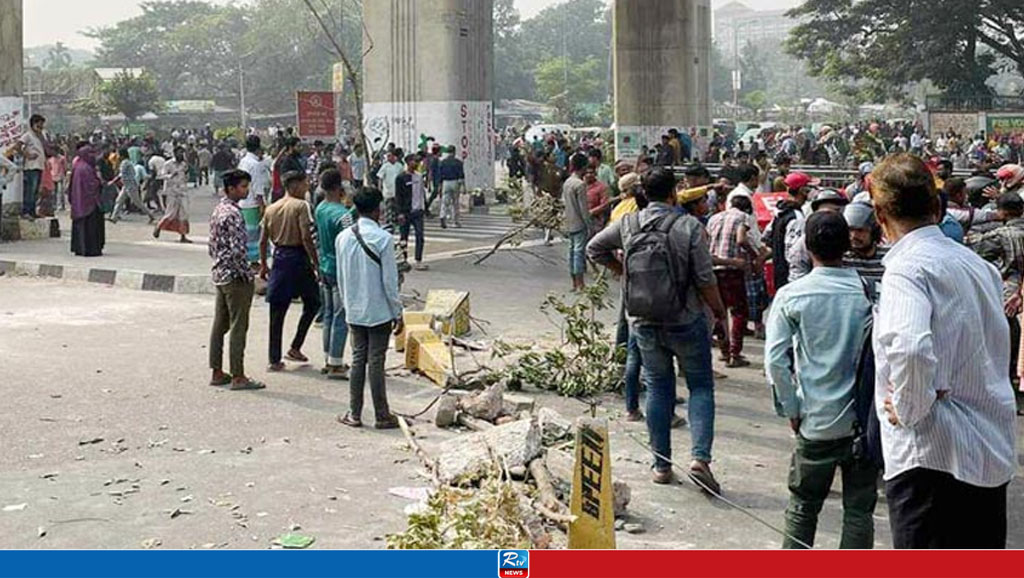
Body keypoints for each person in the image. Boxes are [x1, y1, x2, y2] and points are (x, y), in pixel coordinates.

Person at [872, 154, 1017, 549]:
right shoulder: (977, 266)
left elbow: (910, 347)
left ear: (879, 215)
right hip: (986, 455)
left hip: (930, 460)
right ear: (936, 208)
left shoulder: (907, 269)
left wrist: (910, 405)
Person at [587, 168, 727, 490]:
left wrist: (623, 272)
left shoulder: (627, 223)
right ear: (674, 193)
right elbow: (705, 279)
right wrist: (719, 313)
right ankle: (699, 459)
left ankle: (661, 465)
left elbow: (594, 248)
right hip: (687, 319)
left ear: (643, 194)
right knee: (701, 387)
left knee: (658, 388)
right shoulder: (688, 226)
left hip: (644, 321)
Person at [765, 211, 878, 550]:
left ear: (807, 247)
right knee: (859, 511)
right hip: (862, 425)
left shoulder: (791, 295)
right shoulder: (870, 291)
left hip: (815, 420)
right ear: (847, 245)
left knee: (803, 507)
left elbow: (775, 361)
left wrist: (791, 408)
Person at [336, 189, 403, 430]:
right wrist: (398, 312)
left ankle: (354, 413)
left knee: (357, 360)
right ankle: (381, 414)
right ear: (377, 210)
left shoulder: (342, 237)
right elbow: (389, 282)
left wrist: (347, 304)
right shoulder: (383, 239)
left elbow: (341, 276)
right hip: (379, 310)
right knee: (376, 361)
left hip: (354, 308)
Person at [208, 169, 265, 392]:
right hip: (235, 276)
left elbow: (212, 246)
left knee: (219, 324)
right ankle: (238, 375)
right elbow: (238, 250)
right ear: (231, 188)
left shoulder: (218, 210)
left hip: (220, 273)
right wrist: (248, 273)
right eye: (242, 186)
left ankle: (217, 370)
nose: (246, 190)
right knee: (238, 326)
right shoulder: (233, 214)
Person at [259, 171, 321, 371]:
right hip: (298, 257)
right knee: (313, 302)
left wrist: (263, 264)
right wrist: (315, 263)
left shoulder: (271, 208)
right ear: (295, 185)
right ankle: (295, 345)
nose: (307, 189)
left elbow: (262, 240)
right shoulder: (301, 206)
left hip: (279, 258)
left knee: (277, 311)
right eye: (304, 185)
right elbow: (306, 237)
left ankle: (273, 358)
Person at [969, 192, 1024, 385]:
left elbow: (977, 250)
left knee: (1004, 328)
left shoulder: (1000, 234)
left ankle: (1007, 372)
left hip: (1009, 288)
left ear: (1003, 212)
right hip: (1019, 288)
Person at [315, 169, 356, 381]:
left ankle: (328, 357)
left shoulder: (320, 208)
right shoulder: (343, 215)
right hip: (339, 267)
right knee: (341, 316)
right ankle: (336, 362)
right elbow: (351, 241)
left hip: (325, 265)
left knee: (329, 313)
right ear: (339, 187)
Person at [707, 195, 755, 368]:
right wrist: (752, 254)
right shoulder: (742, 217)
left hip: (714, 268)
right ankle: (735, 353)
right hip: (733, 269)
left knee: (719, 312)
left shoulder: (714, 218)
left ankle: (724, 352)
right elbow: (742, 239)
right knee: (739, 311)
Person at [764, 172, 817, 292]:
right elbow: (793, 253)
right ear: (803, 190)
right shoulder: (796, 217)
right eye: (810, 188)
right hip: (791, 278)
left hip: (780, 272)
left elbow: (767, 236)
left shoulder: (780, 211)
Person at [842, 202, 888, 302]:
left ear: (874, 232)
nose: (853, 236)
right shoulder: (842, 259)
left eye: (860, 231)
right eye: (850, 230)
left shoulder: (888, 257)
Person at [237, 136, 271, 265]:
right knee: (256, 233)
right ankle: (255, 261)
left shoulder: (243, 161)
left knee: (247, 232)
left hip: (244, 202)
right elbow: (257, 187)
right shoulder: (255, 165)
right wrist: (262, 205)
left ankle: (249, 259)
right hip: (253, 203)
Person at [69, 144, 105, 257]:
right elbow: (92, 185)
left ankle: (80, 248)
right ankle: (91, 249)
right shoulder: (87, 168)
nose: (93, 156)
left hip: (78, 203)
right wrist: (99, 182)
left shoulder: (77, 166)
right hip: (89, 204)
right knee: (91, 227)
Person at [562, 153, 592, 291]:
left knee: (571, 252)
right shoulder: (580, 185)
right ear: (584, 166)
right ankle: (580, 283)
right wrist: (589, 225)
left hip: (568, 222)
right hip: (579, 223)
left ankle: (574, 283)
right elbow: (584, 209)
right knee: (579, 253)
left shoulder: (567, 182)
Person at [395, 154, 428, 271]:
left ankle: (418, 260)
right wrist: (400, 212)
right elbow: (398, 196)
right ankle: (403, 260)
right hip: (406, 211)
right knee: (404, 237)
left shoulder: (419, 176)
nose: (416, 163)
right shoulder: (401, 178)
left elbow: (421, 193)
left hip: (418, 211)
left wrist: (425, 207)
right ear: (408, 162)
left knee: (420, 235)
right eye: (414, 161)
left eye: (417, 161)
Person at [152, 148, 193, 243]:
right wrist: (170, 175)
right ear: (175, 154)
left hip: (182, 191)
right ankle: (158, 227)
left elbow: (186, 177)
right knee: (171, 213)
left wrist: (187, 175)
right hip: (171, 191)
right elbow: (160, 176)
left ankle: (183, 235)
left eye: (182, 153)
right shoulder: (168, 164)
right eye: (179, 153)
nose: (181, 155)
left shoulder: (184, 164)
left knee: (184, 213)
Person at [111, 148, 157, 224]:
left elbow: (121, 174)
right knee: (119, 200)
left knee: (138, 203)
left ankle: (151, 215)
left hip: (130, 185)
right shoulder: (127, 162)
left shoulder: (125, 163)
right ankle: (114, 218)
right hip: (127, 185)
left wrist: (113, 181)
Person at [19, 114, 47, 219]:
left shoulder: (40, 136)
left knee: (35, 192)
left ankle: (32, 211)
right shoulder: (27, 135)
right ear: (33, 124)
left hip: (39, 166)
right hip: (31, 167)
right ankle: (26, 211)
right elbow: (18, 146)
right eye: (39, 125)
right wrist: (27, 155)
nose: (41, 128)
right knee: (30, 190)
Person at [438, 146, 466, 229]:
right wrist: (464, 187)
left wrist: (440, 186)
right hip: (455, 182)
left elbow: (440, 175)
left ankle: (442, 215)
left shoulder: (443, 162)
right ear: (454, 151)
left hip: (445, 182)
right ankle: (455, 222)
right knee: (455, 203)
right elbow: (461, 175)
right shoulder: (458, 162)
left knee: (444, 201)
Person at [376, 150, 404, 225]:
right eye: (387, 156)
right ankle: (388, 222)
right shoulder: (385, 166)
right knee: (388, 207)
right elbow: (380, 178)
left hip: (397, 190)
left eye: (390, 156)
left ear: (394, 157)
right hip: (387, 191)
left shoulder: (399, 166)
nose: (388, 158)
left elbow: (402, 177)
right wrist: (379, 188)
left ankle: (396, 222)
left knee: (397, 207)